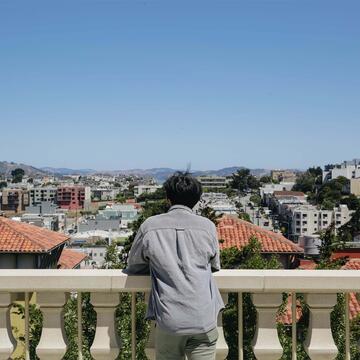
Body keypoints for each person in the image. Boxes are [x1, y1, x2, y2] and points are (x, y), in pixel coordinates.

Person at [126, 171, 224, 360]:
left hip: (169, 318)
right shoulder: (207, 227)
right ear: (197, 200)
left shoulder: (150, 226)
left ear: (168, 198)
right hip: (203, 317)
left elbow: (134, 265)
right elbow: (214, 264)